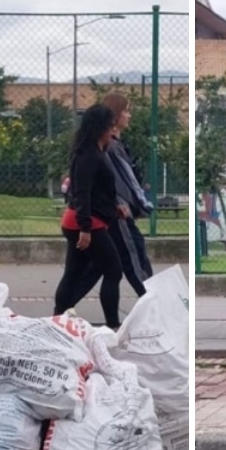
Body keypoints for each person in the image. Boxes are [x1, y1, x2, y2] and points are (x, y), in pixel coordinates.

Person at [52, 104, 124, 330]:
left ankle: (56, 320)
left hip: (84, 221)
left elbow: (98, 191)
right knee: (113, 270)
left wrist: (114, 208)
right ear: (101, 128)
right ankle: (112, 325)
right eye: (110, 126)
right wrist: (85, 228)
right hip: (85, 223)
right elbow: (82, 192)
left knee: (73, 272)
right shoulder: (88, 156)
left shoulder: (93, 151)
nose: (113, 131)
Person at [76, 92, 154, 298]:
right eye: (126, 111)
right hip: (117, 212)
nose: (129, 116)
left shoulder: (113, 145)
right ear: (115, 116)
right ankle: (153, 303)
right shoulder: (110, 147)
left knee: (101, 267)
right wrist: (124, 203)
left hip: (111, 212)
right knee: (134, 258)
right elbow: (113, 182)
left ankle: (64, 306)